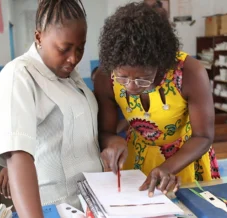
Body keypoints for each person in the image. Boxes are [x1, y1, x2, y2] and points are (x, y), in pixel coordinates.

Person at [94, 2, 220, 197]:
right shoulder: (106, 78)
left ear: (161, 64)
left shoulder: (190, 73)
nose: (131, 86)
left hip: (184, 158)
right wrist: (113, 142)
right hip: (136, 157)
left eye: (143, 77)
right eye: (123, 77)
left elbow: (203, 136)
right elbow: (105, 131)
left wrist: (169, 167)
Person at [0, 0, 102, 217]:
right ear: (39, 37)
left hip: (89, 203)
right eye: (64, 49)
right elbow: (18, 155)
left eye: (80, 48)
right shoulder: (19, 75)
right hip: (53, 207)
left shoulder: (70, 76)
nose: (73, 58)